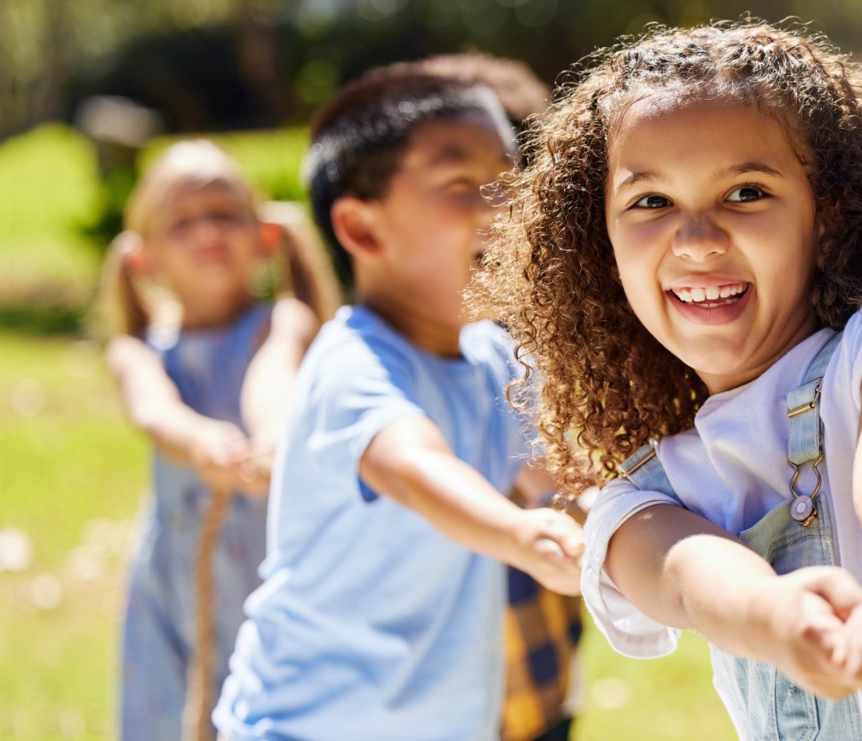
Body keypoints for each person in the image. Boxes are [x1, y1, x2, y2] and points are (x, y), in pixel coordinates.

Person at [473, 22, 862, 740]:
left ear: (828, 211)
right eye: (651, 202)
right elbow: (691, 575)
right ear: (603, 244)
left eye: (746, 192)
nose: (697, 239)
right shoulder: (646, 495)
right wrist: (780, 618)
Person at [213, 71, 585, 741]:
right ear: (360, 226)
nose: (501, 207)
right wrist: (523, 534)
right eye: (460, 184)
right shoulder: (353, 365)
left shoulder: (492, 360)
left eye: (509, 181)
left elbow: (566, 481)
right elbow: (416, 467)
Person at [98, 140, 341, 741]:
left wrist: (269, 439)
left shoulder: (284, 321)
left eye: (225, 214)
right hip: (180, 576)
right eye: (181, 221)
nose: (207, 229)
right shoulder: (137, 350)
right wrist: (204, 441)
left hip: (273, 563)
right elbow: (154, 411)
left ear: (263, 236)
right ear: (143, 260)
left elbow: (273, 378)